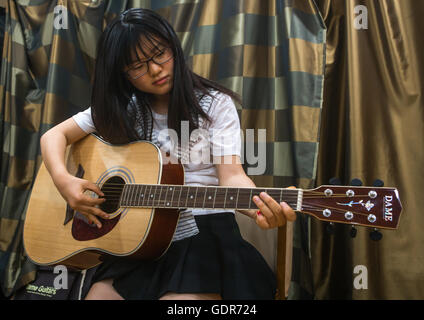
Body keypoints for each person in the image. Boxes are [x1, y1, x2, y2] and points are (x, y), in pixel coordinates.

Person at [40, 8, 296, 300]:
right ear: (122, 74)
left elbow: (232, 176)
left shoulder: (215, 105)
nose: (155, 70)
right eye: (137, 66)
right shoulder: (127, 109)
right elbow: (53, 136)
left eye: (159, 54)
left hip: (204, 238)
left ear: (173, 46)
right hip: (142, 240)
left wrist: (258, 208)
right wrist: (64, 181)